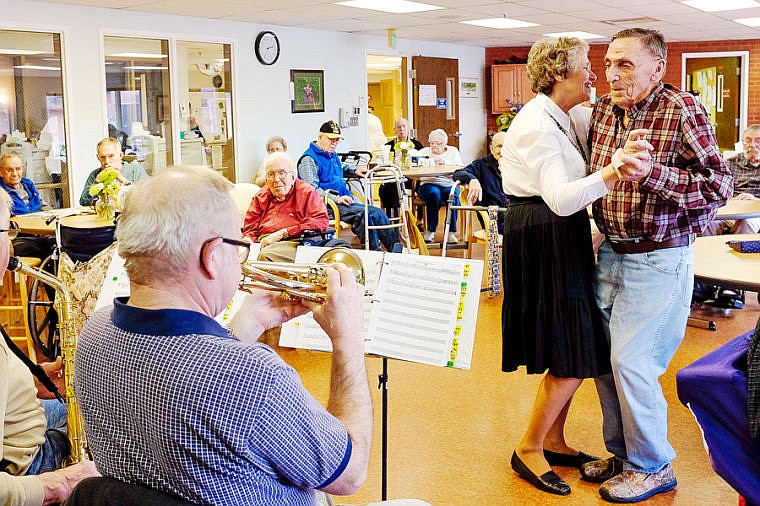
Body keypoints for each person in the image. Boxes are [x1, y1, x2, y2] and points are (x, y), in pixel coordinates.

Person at [73, 166, 426, 505]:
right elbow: (350, 473)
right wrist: (348, 338)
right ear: (211, 257)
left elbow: (194, 380)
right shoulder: (254, 375)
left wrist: (246, 326)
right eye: (239, 245)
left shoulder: (95, 332)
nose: (244, 256)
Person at [583, 28, 733, 503]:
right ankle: (626, 455)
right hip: (610, 251)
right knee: (606, 364)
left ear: (656, 68)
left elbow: (718, 187)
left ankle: (654, 466)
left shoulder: (681, 109)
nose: (612, 74)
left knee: (633, 362)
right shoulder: (605, 110)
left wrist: (652, 173)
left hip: (659, 256)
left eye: (625, 65)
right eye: (608, 64)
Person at [500, 36, 642, 497]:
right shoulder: (536, 125)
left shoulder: (564, 114)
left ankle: (554, 439)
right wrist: (614, 172)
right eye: (586, 65)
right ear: (560, 72)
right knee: (573, 353)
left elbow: (601, 120)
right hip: (544, 233)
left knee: (572, 349)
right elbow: (561, 201)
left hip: (557, 235)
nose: (594, 74)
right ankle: (529, 447)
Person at [0, 191, 100, 506]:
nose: (12, 245)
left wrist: (30, 382)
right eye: (8, 231)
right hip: (26, 463)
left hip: (21, 423)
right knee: (103, 419)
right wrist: (59, 484)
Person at [298, 120, 398, 251]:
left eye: (337, 140)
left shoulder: (330, 154)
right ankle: (374, 252)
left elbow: (340, 166)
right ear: (320, 137)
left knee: (377, 213)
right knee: (364, 214)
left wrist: (354, 170)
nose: (334, 143)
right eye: (331, 139)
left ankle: (395, 250)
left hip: (344, 201)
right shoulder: (308, 159)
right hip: (326, 206)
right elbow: (311, 191)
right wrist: (336, 199)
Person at [243, 152, 329, 262]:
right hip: (263, 242)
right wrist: (247, 241)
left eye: (281, 173)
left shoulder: (306, 193)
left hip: (294, 241)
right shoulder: (261, 196)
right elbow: (250, 229)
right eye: (271, 174)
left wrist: (283, 233)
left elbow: (320, 221)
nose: (276, 179)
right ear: (266, 179)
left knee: (265, 256)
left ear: (293, 177)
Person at [704, 124, 760, 235]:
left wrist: (755, 200)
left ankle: (739, 250)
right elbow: (718, 189)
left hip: (756, 213)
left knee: (745, 222)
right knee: (706, 223)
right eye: (748, 141)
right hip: (731, 208)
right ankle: (710, 252)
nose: (752, 145)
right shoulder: (730, 163)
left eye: (758, 141)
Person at [0, 152, 56, 262]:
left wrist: (54, 215)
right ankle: (41, 278)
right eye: (9, 170)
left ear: (22, 169)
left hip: (39, 232)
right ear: (1, 172)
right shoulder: (1, 193)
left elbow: (42, 205)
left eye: (18, 169)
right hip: (17, 237)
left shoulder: (27, 185)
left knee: (60, 243)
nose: (15, 173)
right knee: (43, 250)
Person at [452, 131, 509, 234]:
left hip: (513, 216)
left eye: (506, 147)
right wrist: (472, 180)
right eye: (499, 146)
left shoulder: (515, 165)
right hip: (493, 219)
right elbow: (458, 173)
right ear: (491, 149)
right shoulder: (482, 164)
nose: (503, 151)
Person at [417, 129, 464, 243]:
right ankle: (430, 230)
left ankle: (451, 232)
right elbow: (415, 164)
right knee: (434, 194)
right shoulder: (424, 152)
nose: (435, 146)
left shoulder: (452, 151)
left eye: (438, 144)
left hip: (447, 184)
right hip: (428, 183)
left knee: (453, 194)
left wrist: (446, 162)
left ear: (444, 144)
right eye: (432, 143)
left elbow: (460, 167)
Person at [79, 137, 148, 206]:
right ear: (98, 157)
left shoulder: (136, 170)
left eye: (111, 156)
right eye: (102, 157)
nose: (107, 161)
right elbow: (83, 202)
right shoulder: (95, 174)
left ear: (121, 155)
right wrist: (97, 182)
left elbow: (147, 199)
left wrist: (124, 181)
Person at [377, 118, 423, 217]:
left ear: (408, 128)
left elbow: (422, 162)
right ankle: (393, 219)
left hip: (412, 179)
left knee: (424, 186)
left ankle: (419, 220)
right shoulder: (388, 146)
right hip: (395, 178)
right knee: (388, 187)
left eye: (404, 126)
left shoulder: (417, 145)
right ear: (395, 130)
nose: (402, 129)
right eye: (398, 127)